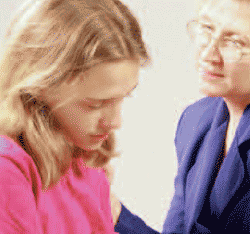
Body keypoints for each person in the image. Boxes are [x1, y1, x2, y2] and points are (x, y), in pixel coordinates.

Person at [0, 0, 151, 233]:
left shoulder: (83, 156)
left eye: (124, 97)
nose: (115, 122)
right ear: (41, 85)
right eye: (95, 104)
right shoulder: (8, 170)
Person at [111, 0, 250, 233]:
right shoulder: (196, 120)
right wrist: (110, 208)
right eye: (207, 28)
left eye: (234, 42)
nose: (208, 54)